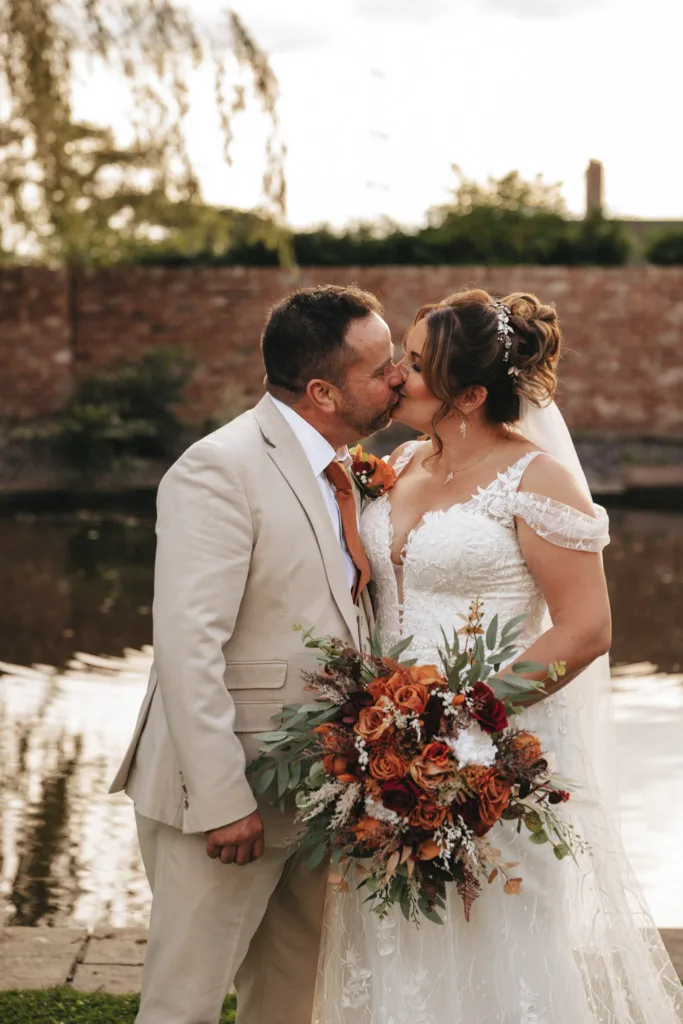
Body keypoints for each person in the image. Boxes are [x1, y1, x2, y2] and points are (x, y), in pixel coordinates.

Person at [312, 288, 683, 1024]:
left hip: (492, 754)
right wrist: (386, 726)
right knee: (396, 938)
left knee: (498, 947)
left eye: (414, 365)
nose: (395, 375)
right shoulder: (406, 459)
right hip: (383, 752)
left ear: (471, 394)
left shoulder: (538, 479)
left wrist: (461, 716)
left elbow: (584, 628)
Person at [109, 284, 404, 1024]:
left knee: (291, 1003)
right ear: (321, 390)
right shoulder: (219, 469)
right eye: (382, 367)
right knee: (185, 1003)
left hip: (315, 791)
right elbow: (187, 643)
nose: (398, 377)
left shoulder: (346, 467)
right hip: (227, 800)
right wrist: (221, 800)